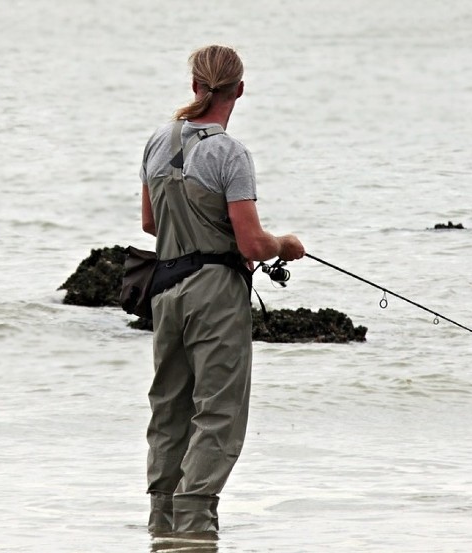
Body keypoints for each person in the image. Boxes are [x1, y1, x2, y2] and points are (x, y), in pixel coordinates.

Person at [139, 44, 305, 535]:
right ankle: (194, 524)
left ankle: (162, 525)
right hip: (214, 293)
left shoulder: (156, 141)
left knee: (169, 409)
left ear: (195, 85)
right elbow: (253, 243)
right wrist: (287, 245)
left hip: (165, 290)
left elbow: (151, 224)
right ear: (240, 90)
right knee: (218, 412)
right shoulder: (229, 152)